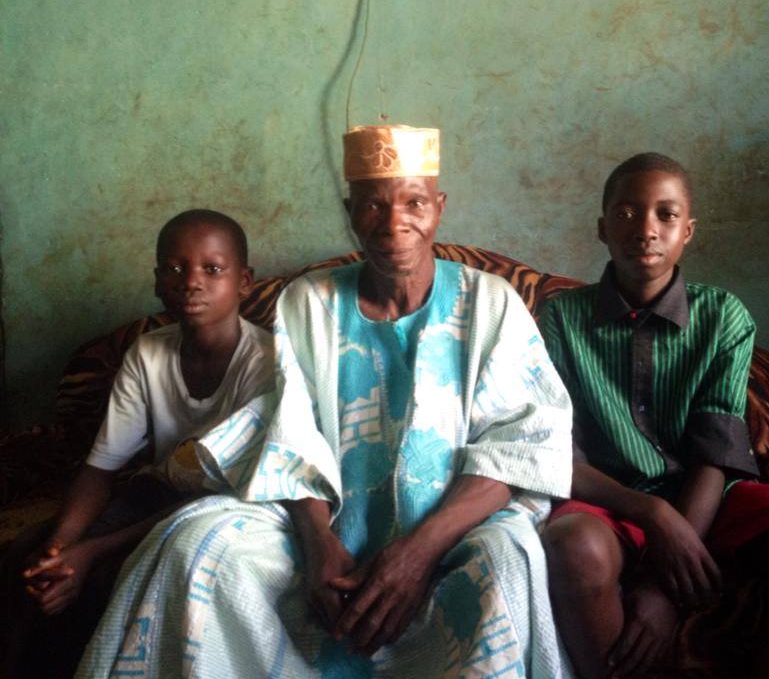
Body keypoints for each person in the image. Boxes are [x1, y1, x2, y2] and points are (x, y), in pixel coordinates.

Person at [76, 125, 574, 678]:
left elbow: (520, 447)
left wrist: (417, 553)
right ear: (349, 211)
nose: (394, 224)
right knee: (195, 542)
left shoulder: (491, 302)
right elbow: (290, 432)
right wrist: (319, 546)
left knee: (508, 558)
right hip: (324, 522)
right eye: (373, 205)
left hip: (453, 530)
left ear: (439, 208)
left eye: (414, 203)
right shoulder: (308, 301)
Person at [537, 153, 769, 679]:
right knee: (573, 548)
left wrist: (663, 589)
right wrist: (653, 513)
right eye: (626, 214)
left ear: (688, 231)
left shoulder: (723, 317)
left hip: (709, 498)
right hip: (606, 499)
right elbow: (560, 456)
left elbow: (716, 452)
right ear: (602, 229)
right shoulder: (560, 317)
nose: (646, 229)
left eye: (666, 215)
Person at [0, 209, 273, 678]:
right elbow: (101, 467)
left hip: (226, 504)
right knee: (30, 559)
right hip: (157, 493)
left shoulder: (266, 362)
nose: (191, 282)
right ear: (157, 282)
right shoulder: (147, 352)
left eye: (212, 269)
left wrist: (91, 551)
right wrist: (62, 546)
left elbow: (229, 491)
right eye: (175, 269)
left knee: (104, 576)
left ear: (244, 281)